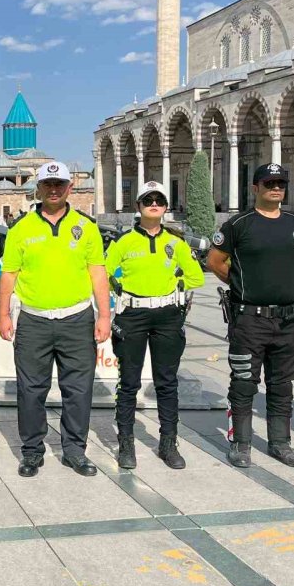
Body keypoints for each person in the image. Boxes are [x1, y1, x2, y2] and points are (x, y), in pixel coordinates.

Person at [0, 161, 110, 477]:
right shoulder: (21, 228)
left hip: (77, 320)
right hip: (34, 322)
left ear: (69, 186)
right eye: (47, 184)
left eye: (59, 183)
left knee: (78, 389)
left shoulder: (86, 227)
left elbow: (98, 273)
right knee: (31, 390)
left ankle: (75, 451)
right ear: (39, 187)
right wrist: (3, 314)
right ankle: (32, 452)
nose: (53, 189)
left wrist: (104, 315)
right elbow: (8, 274)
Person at [206, 163, 294, 469]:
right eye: (269, 183)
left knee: (283, 383)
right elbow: (215, 261)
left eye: (280, 183)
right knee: (243, 382)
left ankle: (281, 443)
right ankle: (241, 443)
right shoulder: (239, 225)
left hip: (289, 320)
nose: (276, 188)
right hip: (250, 320)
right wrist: (241, 283)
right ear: (256, 188)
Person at [105, 181, 204, 470]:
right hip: (132, 315)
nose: (153, 204)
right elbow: (103, 271)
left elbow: (196, 276)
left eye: (159, 199)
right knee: (128, 383)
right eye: (147, 200)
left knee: (167, 382)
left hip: (167, 315)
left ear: (165, 207)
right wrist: (116, 287)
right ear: (138, 207)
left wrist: (180, 282)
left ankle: (168, 443)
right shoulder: (124, 242)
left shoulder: (176, 242)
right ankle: (126, 444)